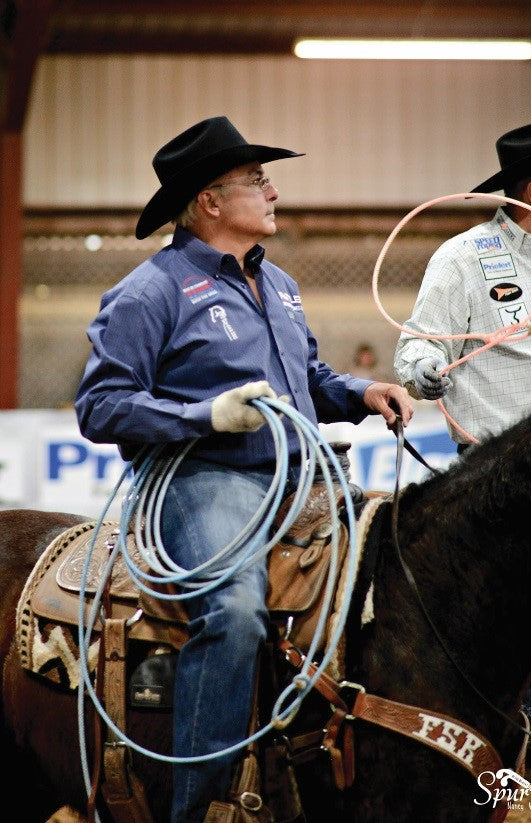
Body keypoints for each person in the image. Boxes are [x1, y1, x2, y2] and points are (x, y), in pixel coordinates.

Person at [75, 115, 414, 823]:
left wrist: (361, 393)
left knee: (400, 572)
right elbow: (101, 405)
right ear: (210, 201)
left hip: (303, 479)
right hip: (205, 480)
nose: (273, 190)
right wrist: (206, 416)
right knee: (232, 612)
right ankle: (204, 807)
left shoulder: (279, 284)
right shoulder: (151, 291)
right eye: (258, 180)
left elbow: (308, 378)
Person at [394, 117, 531, 754]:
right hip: (505, 478)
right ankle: (527, 735)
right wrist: (425, 370)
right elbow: (417, 347)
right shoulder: (464, 259)